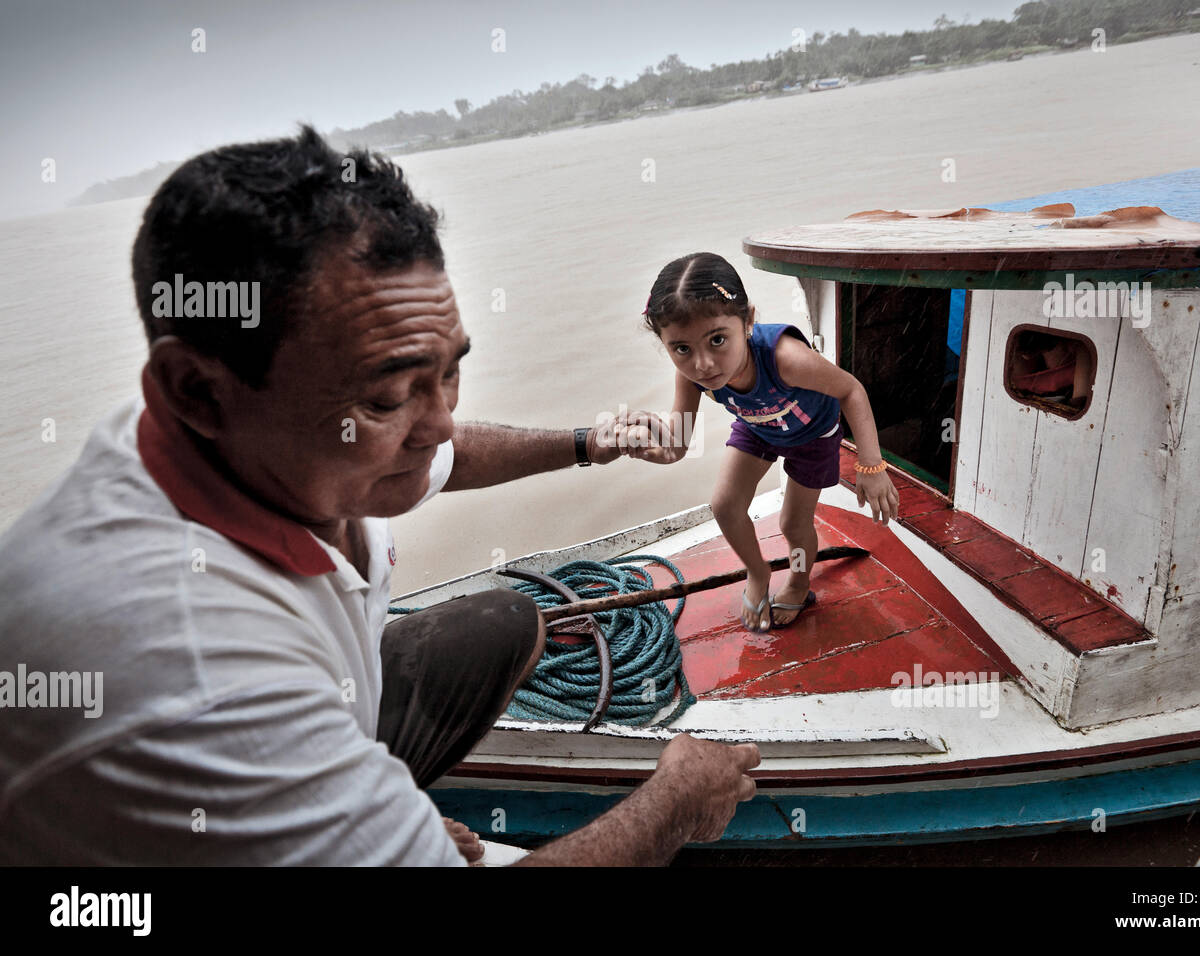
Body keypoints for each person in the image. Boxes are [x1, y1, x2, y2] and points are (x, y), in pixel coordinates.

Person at [0, 127, 758, 866]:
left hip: (330, 695)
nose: (437, 426)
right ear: (196, 390)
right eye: (391, 395)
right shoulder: (195, 677)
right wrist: (675, 804)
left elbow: (447, 455)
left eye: (447, 372)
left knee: (507, 623)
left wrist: (589, 444)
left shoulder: (270, 436)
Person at [628, 252, 899, 632]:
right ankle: (757, 572)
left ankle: (800, 582)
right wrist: (641, 447)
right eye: (682, 349)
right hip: (759, 428)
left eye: (718, 339)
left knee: (793, 523)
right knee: (724, 504)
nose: (703, 364)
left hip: (812, 435)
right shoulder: (689, 377)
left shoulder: (786, 358)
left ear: (748, 321)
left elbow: (851, 390)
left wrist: (871, 465)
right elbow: (675, 447)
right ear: (665, 343)